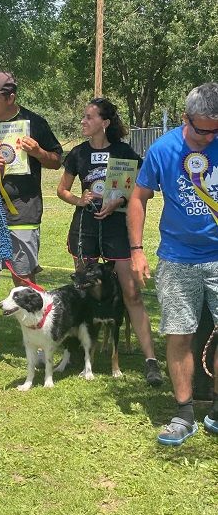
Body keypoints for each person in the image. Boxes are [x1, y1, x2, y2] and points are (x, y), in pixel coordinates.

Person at [128, 83, 218, 446]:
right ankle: (184, 414)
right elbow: (138, 197)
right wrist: (137, 250)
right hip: (177, 259)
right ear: (185, 118)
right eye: (202, 130)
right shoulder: (163, 149)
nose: (209, 138)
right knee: (179, 335)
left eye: (216, 130)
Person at [57, 98, 162, 386]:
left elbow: (145, 190)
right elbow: (62, 190)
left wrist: (120, 200)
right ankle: (76, 354)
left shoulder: (124, 152)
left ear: (104, 123)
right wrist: (79, 200)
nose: (83, 121)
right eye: (83, 117)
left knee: (132, 294)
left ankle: (151, 361)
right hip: (86, 229)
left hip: (118, 229)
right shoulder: (78, 153)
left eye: (89, 117)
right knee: (83, 292)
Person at [0, 72, 63, 366]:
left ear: (11, 98)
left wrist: (38, 152)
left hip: (24, 212)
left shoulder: (35, 122)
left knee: (24, 280)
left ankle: (38, 342)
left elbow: (56, 161)